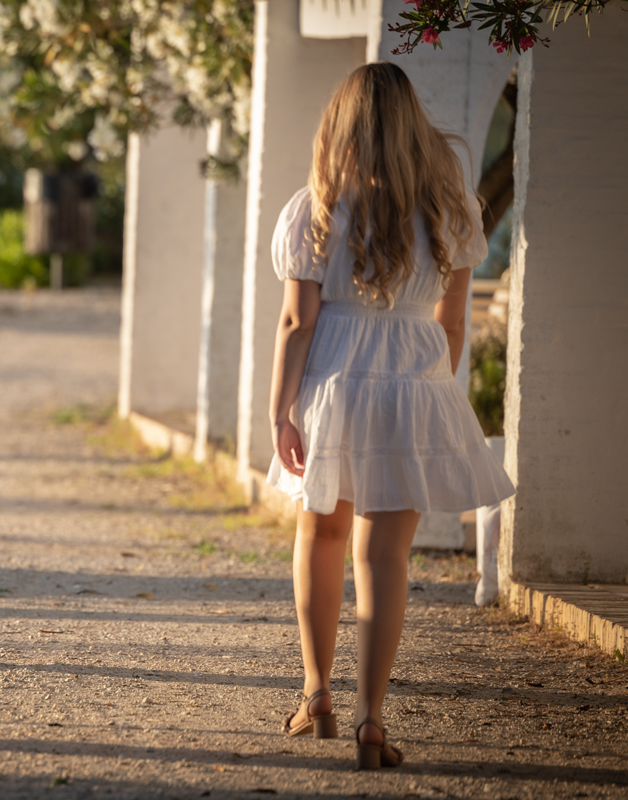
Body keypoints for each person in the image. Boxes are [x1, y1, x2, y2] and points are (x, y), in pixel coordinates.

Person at [266, 63, 515, 770]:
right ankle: (372, 721)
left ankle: (316, 693)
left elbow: (295, 323)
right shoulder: (452, 209)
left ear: (341, 124)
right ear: (414, 126)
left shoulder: (315, 208)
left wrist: (280, 410)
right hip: (414, 381)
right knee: (385, 556)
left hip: (334, 383)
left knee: (320, 536)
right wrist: (433, 386)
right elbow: (454, 324)